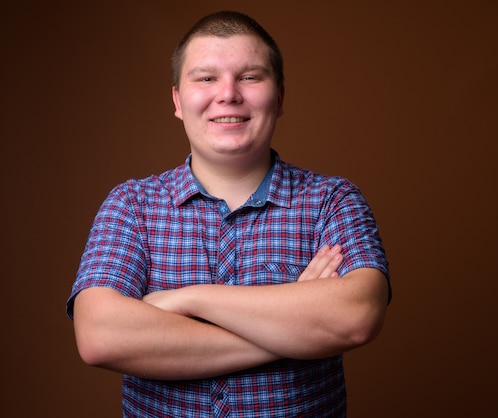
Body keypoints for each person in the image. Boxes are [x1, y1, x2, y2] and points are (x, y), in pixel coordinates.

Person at [67, 10, 391, 417]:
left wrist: (187, 301)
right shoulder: (131, 204)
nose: (228, 95)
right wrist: (293, 329)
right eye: (206, 78)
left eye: (251, 77)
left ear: (280, 96)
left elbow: (355, 317)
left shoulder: (333, 200)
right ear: (177, 101)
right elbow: (100, 336)